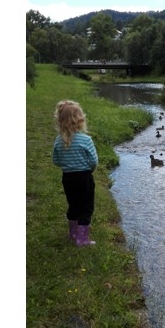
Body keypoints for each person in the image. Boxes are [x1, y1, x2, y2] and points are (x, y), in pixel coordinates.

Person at [52, 100, 98, 246]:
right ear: (80, 120)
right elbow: (93, 161)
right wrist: (89, 169)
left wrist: (67, 164)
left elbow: (56, 161)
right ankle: (82, 240)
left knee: (73, 205)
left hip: (68, 178)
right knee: (86, 207)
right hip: (84, 178)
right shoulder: (86, 140)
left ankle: (73, 234)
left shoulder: (59, 141)